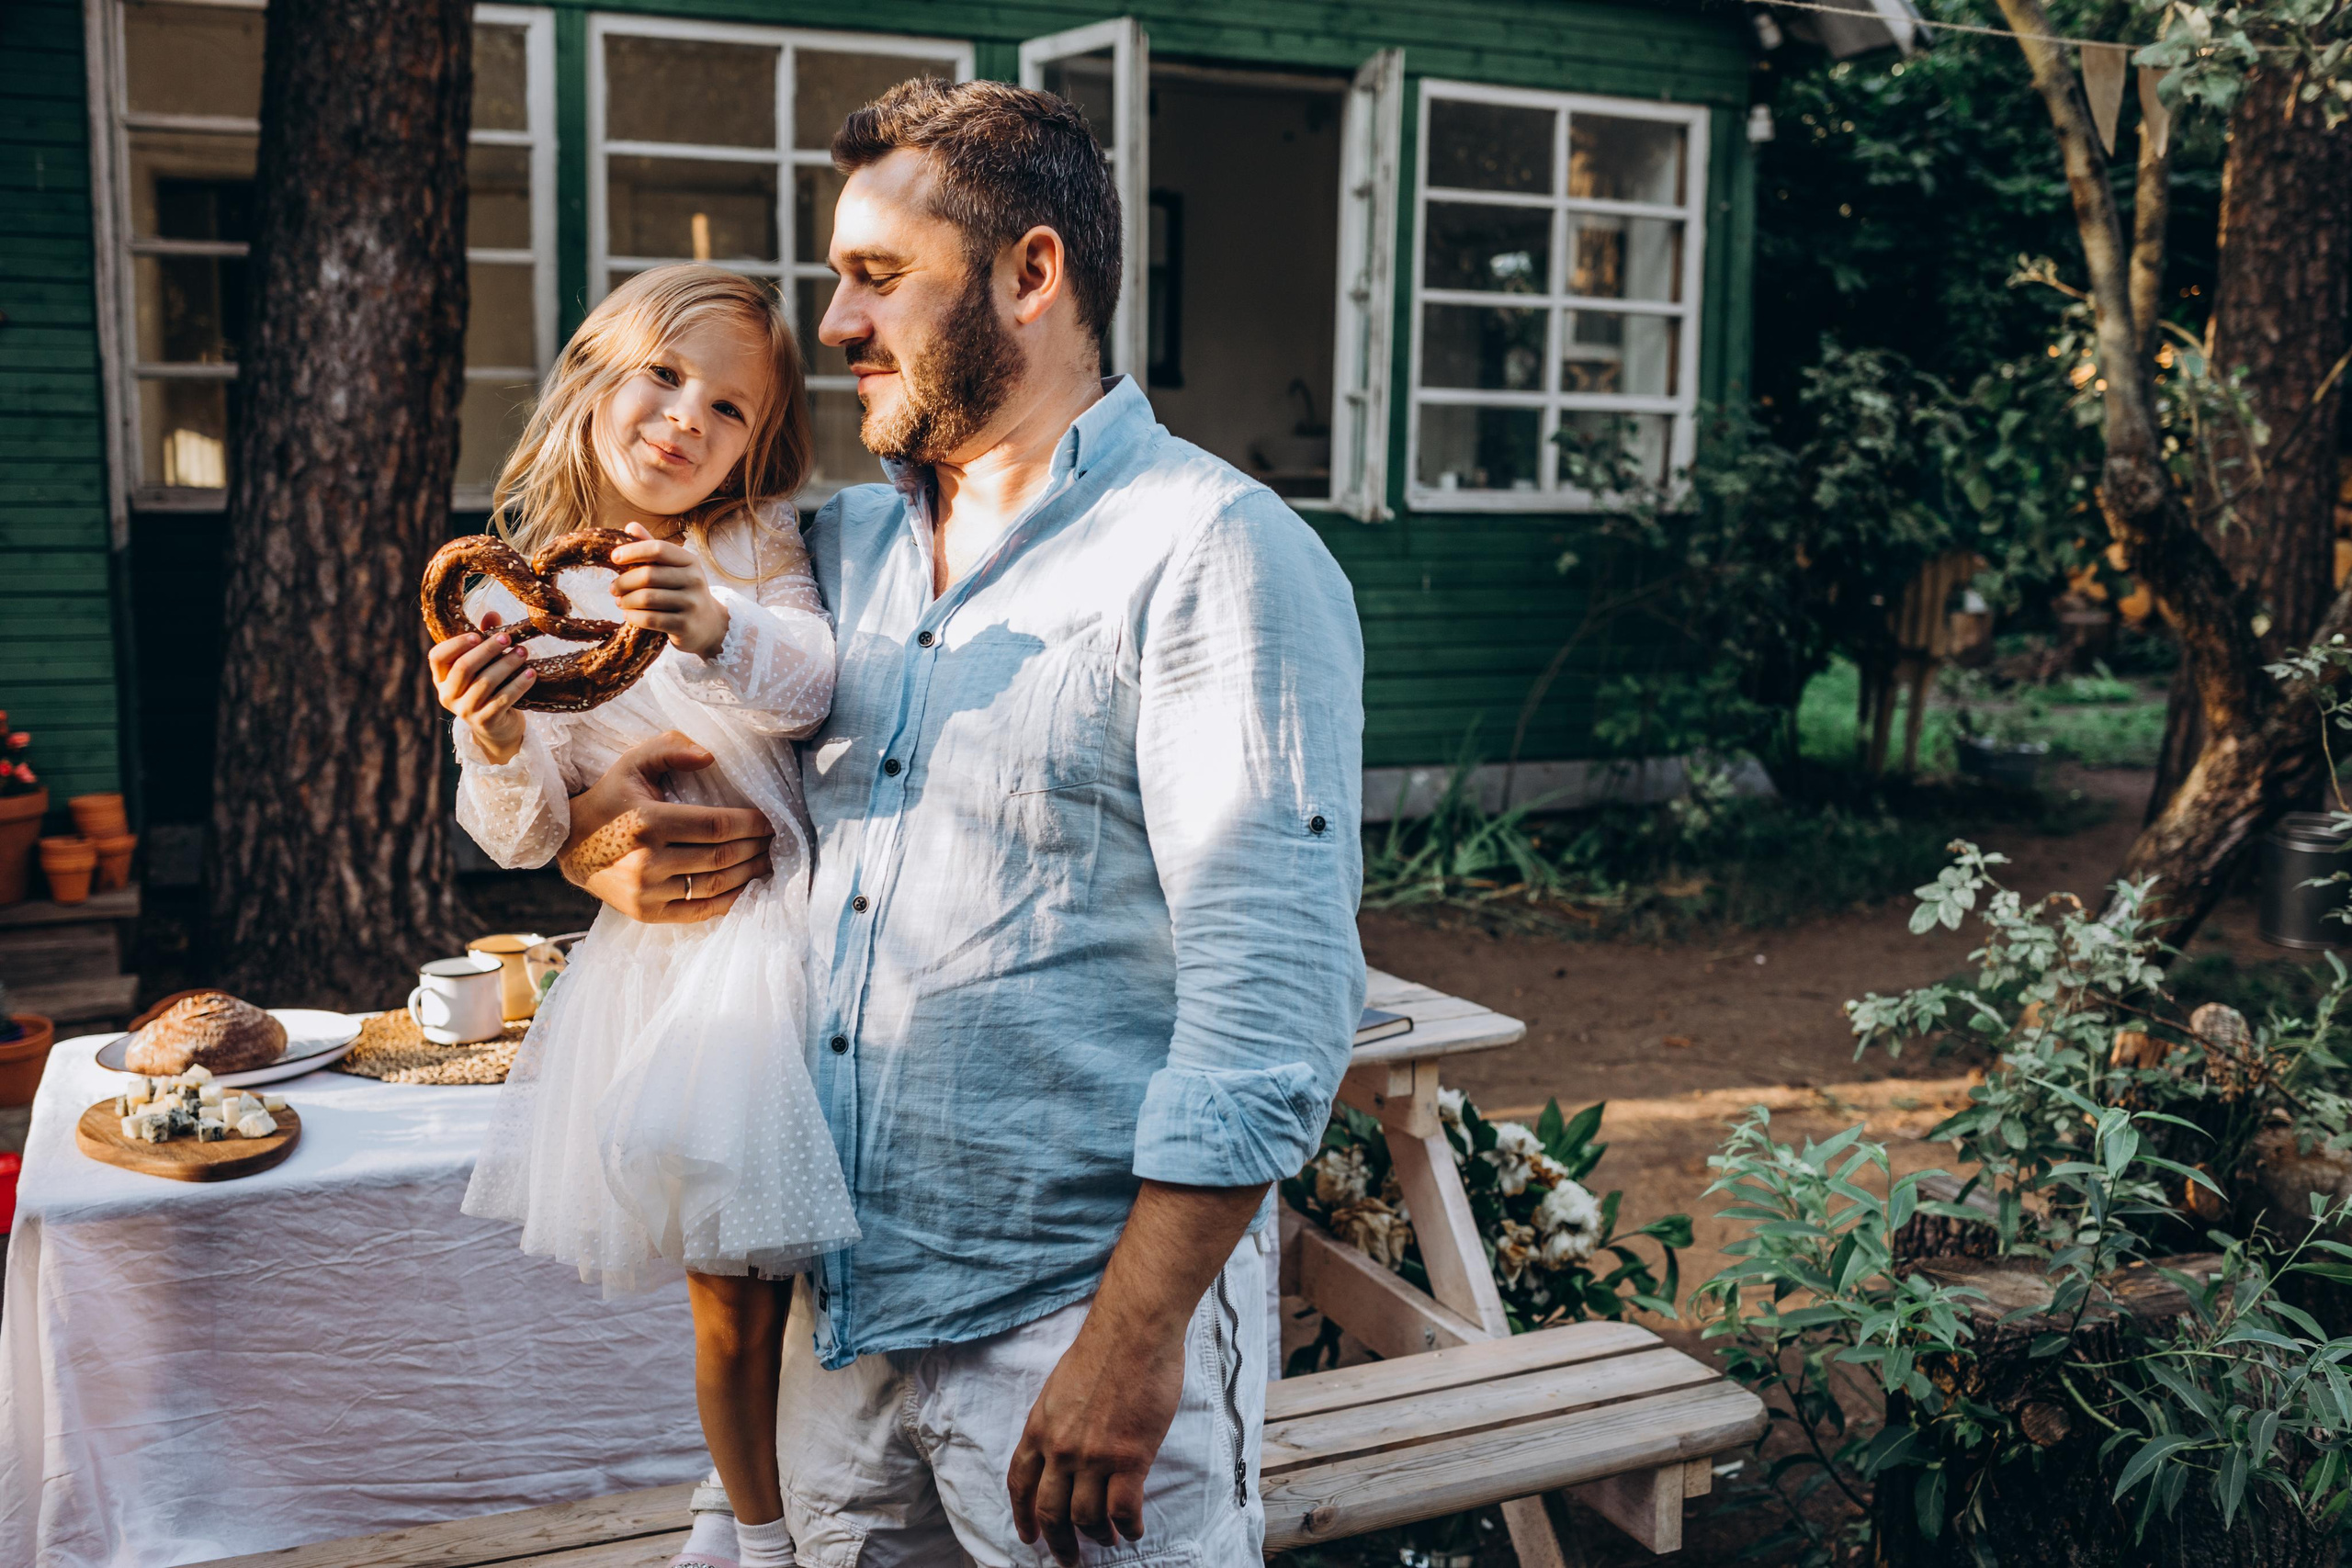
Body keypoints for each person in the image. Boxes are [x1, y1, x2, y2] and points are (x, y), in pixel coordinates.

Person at [564, 79, 1367, 1566]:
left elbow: (1273, 1018)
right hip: (839, 1325)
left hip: (1064, 1332)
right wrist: (599, 839)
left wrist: (1132, 1344)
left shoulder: (1216, 556)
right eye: (837, 280)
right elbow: (706, 794)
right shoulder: (827, 554)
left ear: (1032, 273)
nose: (834, 324)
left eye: (877, 278)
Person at [428, 265, 857, 1568]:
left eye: (729, 409)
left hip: (793, 935)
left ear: (758, 444)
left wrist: (717, 623)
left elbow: (811, 687)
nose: (687, 419)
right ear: (594, 375)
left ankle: (740, 1512)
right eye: (665, 376)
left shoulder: (750, 547)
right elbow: (525, 832)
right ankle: (756, 1529)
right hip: (673, 969)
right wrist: (494, 729)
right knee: (724, 1285)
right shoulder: (522, 605)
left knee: (785, 1283)